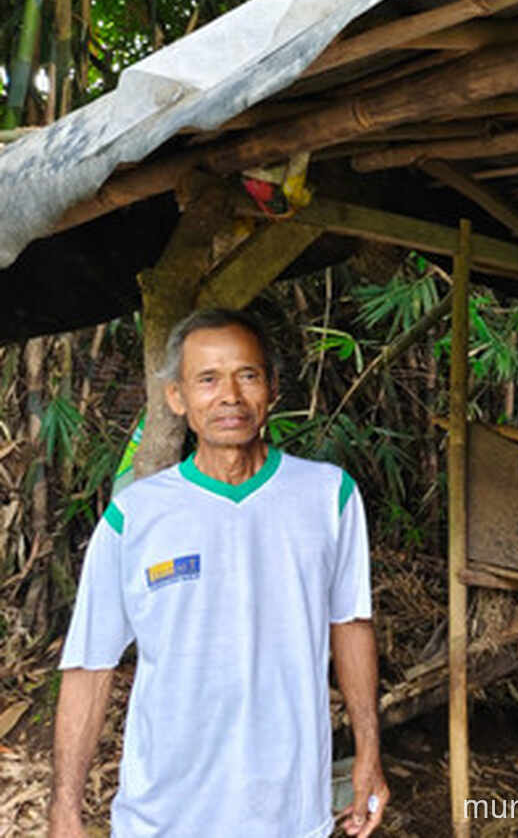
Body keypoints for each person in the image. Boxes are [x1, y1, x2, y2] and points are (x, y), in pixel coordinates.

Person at [48, 308, 388, 838]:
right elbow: (90, 667)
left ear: (272, 389)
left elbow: (351, 624)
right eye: (207, 379)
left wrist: (369, 752)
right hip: (162, 818)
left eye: (247, 375)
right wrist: (65, 808)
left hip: (290, 814)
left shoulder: (328, 496)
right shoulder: (133, 518)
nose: (229, 396)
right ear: (177, 398)